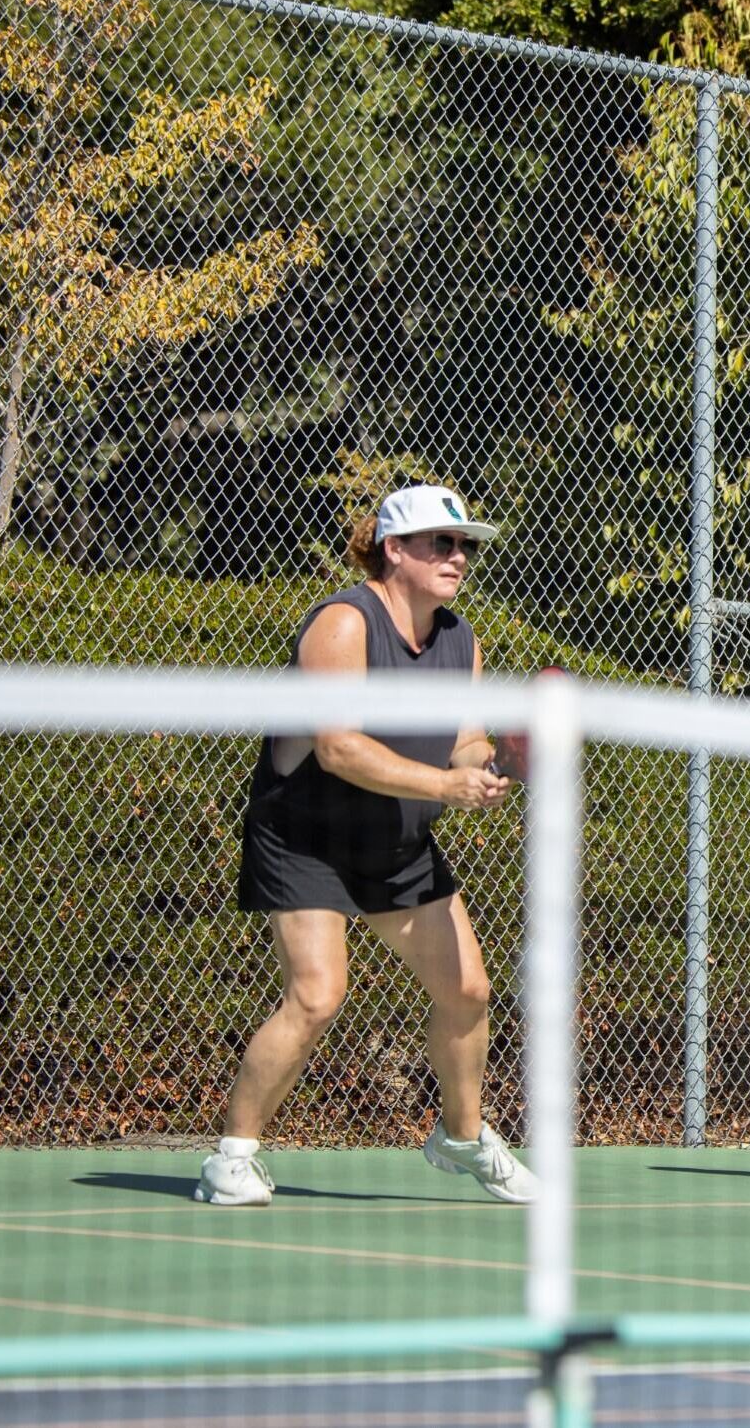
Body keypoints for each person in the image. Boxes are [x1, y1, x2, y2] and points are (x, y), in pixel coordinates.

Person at [196, 484, 537, 1207]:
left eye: (464, 545)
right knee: (317, 997)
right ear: (395, 550)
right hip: (306, 838)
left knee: (468, 990)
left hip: (396, 843)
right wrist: (444, 789)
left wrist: (483, 766)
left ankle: (461, 1137)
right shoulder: (344, 624)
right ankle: (232, 1155)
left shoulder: (459, 639)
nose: (457, 556)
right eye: (440, 543)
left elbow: (462, 739)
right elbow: (338, 748)